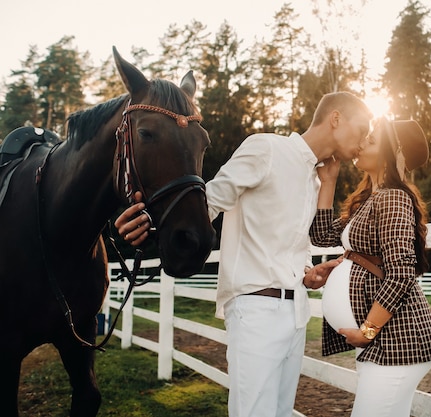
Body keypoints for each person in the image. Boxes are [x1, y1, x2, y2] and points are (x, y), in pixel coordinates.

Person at [115, 91, 373, 417]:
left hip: (296, 315)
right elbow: (208, 201)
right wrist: (150, 224)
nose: (365, 139)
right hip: (256, 310)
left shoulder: (314, 176)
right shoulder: (266, 148)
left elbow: (289, 242)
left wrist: (308, 271)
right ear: (335, 119)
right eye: (362, 128)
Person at [309, 117, 431, 417]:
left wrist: (368, 331)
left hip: (398, 340)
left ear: (391, 152)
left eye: (370, 141)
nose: (360, 145)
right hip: (382, 343)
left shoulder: (394, 198)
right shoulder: (369, 200)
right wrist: (328, 181)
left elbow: (400, 272)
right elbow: (320, 236)